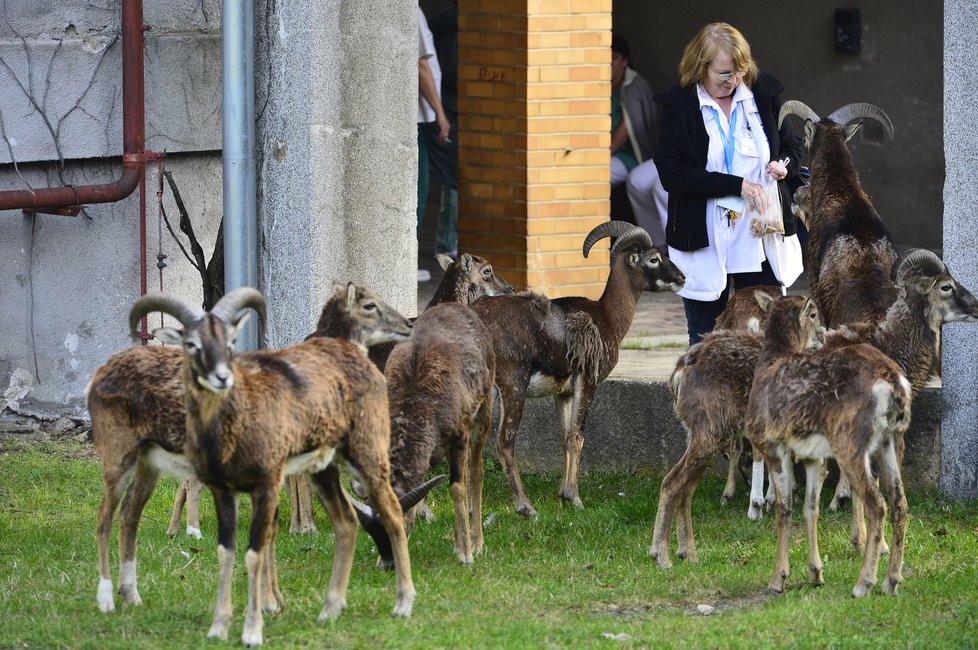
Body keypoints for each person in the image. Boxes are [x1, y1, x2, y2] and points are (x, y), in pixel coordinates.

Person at [652, 22, 804, 345]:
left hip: (759, 231)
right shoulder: (679, 107)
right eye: (723, 74)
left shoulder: (762, 95)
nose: (732, 81)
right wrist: (736, 186)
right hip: (703, 236)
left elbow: (794, 147)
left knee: (766, 335)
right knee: (707, 339)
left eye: (738, 72)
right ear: (701, 67)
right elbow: (672, 173)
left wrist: (782, 166)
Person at [609, 35, 668, 251]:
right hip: (607, 152)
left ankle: (659, 245)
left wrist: (598, 156)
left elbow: (627, 130)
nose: (609, 63)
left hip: (630, 154)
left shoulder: (634, 85)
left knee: (600, 176)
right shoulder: (598, 83)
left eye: (613, 58)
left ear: (624, 61)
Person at [417, 4, 450, 281]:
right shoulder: (411, 12)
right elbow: (421, 65)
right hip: (418, 118)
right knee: (419, 189)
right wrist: (439, 112)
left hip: (420, 117)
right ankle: (409, 260)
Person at [426, 2, 459, 261]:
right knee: (453, 178)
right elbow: (453, 74)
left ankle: (447, 242)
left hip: (444, 106)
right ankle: (446, 244)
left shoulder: (441, 24)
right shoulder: (454, 30)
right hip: (448, 107)